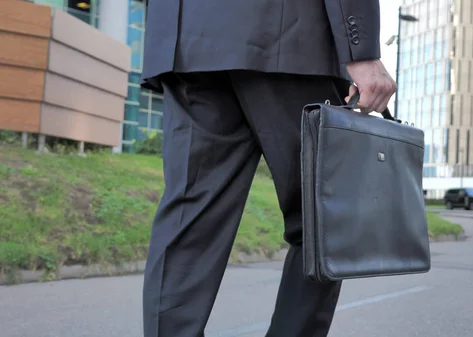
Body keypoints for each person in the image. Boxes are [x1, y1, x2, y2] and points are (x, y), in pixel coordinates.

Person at [140, 1, 397, 336]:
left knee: (189, 221)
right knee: (322, 223)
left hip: (188, 41)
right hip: (290, 36)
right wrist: (360, 49)